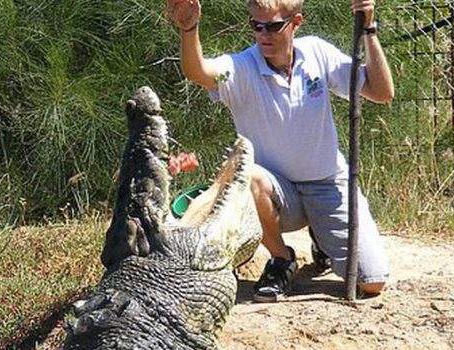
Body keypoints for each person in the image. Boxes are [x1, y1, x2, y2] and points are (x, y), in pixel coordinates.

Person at [165, 0, 394, 301]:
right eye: (256, 26)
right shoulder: (242, 68)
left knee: (372, 283)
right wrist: (189, 29)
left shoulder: (317, 52)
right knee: (249, 177)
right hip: (275, 193)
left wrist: (368, 29)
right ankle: (281, 259)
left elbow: (381, 92)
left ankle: (321, 236)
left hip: (327, 185)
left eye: (273, 26)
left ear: (296, 22)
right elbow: (200, 72)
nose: (263, 35)